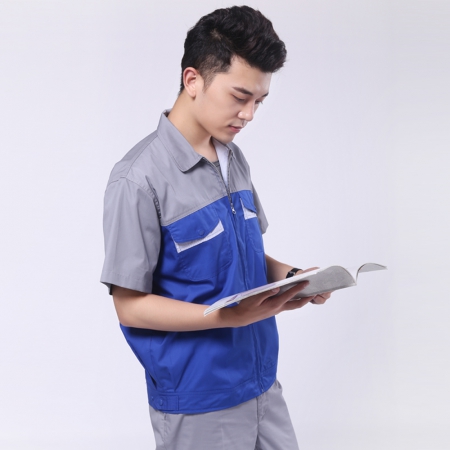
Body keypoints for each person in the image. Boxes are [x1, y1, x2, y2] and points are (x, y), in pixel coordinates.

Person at [101, 6, 331, 449]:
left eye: (259, 101)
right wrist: (226, 315)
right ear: (193, 80)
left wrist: (293, 278)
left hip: (262, 384)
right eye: (240, 96)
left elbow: (244, 254)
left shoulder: (232, 157)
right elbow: (129, 306)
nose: (249, 114)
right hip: (200, 402)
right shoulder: (137, 179)